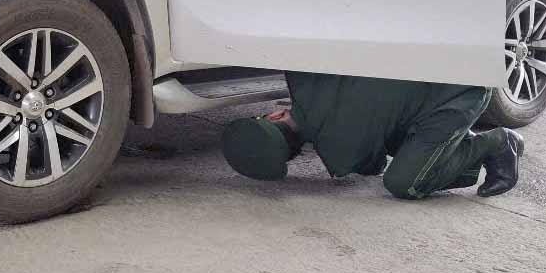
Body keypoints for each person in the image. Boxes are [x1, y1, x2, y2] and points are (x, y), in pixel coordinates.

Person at [221, 72, 525, 199]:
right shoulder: (303, 74)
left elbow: (373, 165)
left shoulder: (340, 151)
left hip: (459, 92)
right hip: (449, 68)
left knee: (405, 182)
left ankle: (498, 142)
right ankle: (450, 145)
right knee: (392, 133)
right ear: (275, 115)